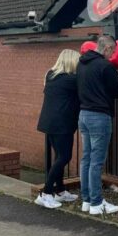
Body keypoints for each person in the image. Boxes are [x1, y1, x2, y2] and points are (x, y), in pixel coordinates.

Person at [77, 35, 118, 215]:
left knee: (86, 158)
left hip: (83, 114)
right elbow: (116, 92)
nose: (113, 55)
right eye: (112, 51)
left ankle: (86, 199)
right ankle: (97, 203)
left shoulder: (82, 63)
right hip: (99, 116)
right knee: (96, 161)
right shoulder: (105, 66)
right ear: (106, 48)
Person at [35, 49, 81, 209]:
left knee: (59, 156)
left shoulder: (51, 76)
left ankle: (60, 190)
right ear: (71, 62)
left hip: (50, 122)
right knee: (64, 157)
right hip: (62, 123)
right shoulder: (71, 80)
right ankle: (46, 193)